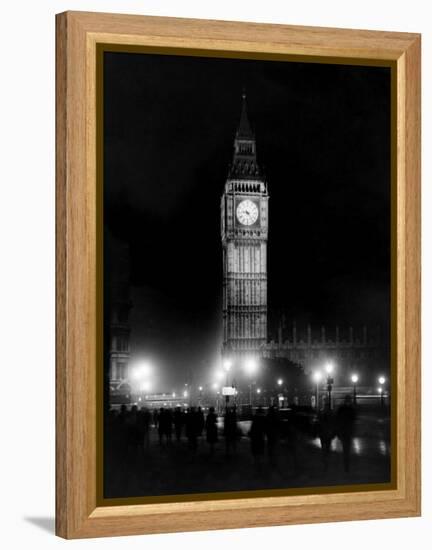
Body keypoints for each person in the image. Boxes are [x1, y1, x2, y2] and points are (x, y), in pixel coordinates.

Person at [335, 395, 356, 472]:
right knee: (346, 449)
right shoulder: (351, 409)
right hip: (346, 431)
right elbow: (353, 420)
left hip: (344, 431)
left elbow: (337, 419)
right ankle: (346, 465)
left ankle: (346, 464)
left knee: (346, 449)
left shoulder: (342, 409)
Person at [316, 407, 335, 472]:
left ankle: (325, 458)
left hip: (323, 435)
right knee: (327, 446)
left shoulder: (322, 417)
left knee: (324, 446)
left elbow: (319, 425)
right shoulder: (330, 418)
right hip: (327, 435)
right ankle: (326, 457)